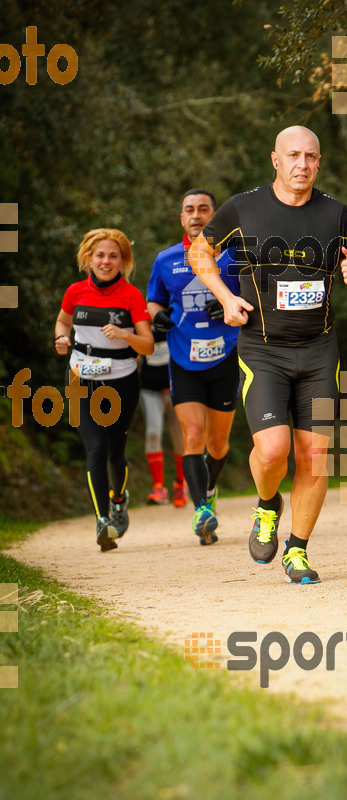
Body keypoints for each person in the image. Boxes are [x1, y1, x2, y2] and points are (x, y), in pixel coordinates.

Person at [189, 125, 347, 585]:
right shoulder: (243, 206)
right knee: (272, 450)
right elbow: (200, 251)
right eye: (293, 155)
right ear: (275, 160)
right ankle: (267, 504)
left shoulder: (337, 214)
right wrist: (225, 296)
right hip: (263, 350)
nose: (303, 164)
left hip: (319, 350)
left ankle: (297, 550)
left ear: (319, 162)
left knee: (314, 455)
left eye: (311, 156)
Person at [146, 188, 240, 545]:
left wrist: (231, 302)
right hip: (184, 360)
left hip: (225, 357)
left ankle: (210, 488)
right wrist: (158, 319)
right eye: (190, 210)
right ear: (181, 218)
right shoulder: (166, 259)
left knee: (218, 444)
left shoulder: (232, 256)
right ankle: (202, 510)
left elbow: (252, 297)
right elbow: (153, 302)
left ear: (215, 217)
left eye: (204, 209)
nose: (197, 215)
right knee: (193, 437)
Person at [54, 229, 154, 551]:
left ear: (123, 260)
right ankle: (102, 522)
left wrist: (125, 336)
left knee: (114, 452)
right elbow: (62, 322)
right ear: (89, 258)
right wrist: (61, 338)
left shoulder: (131, 296)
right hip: (80, 378)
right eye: (100, 255)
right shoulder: (75, 292)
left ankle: (119, 501)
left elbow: (149, 346)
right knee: (95, 448)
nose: (106, 261)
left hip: (121, 381)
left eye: (113, 256)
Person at [139, 325, 187, 507]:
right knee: (153, 433)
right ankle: (158, 487)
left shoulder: (175, 316)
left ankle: (180, 484)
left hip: (177, 387)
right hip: (150, 388)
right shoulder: (141, 323)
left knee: (180, 438)